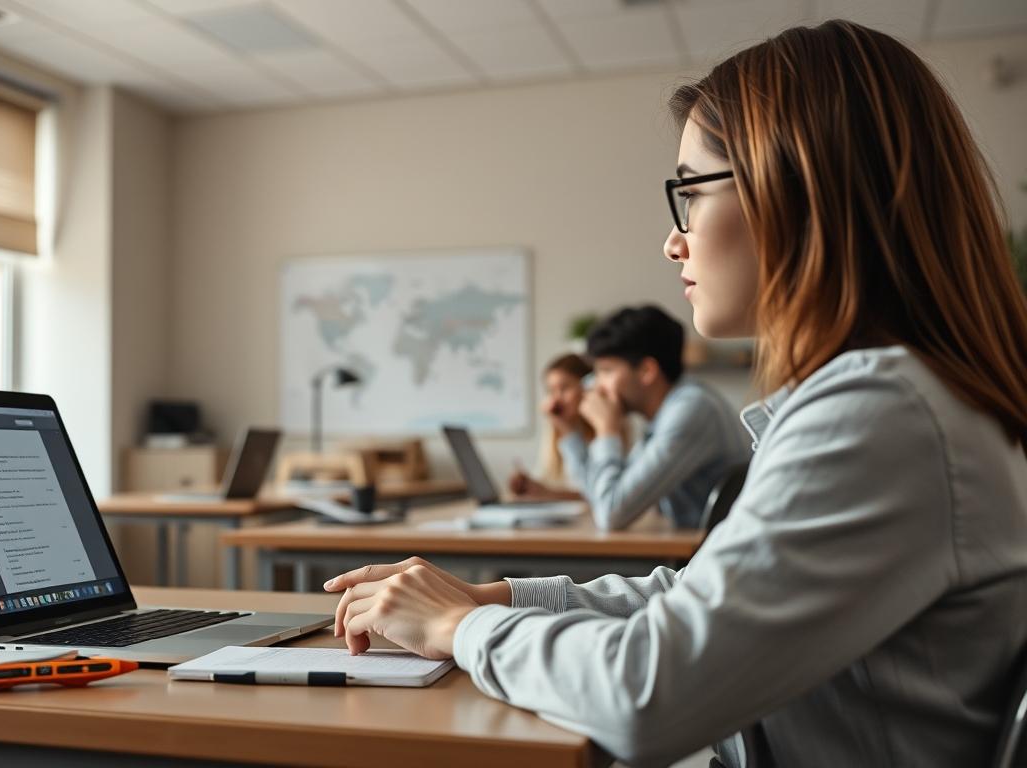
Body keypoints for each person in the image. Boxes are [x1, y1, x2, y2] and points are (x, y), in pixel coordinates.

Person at [322, 20, 1027, 767]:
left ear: (794, 194)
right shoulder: (902, 399)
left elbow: (646, 696)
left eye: (691, 193)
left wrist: (457, 630)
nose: (673, 239)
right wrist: (495, 599)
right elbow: (694, 597)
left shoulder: (881, 416)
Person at [565, 305, 749, 529]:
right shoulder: (663, 415)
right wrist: (569, 432)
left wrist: (607, 431)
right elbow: (600, 497)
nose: (595, 385)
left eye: (606, 370)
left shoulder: (691, 410)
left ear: (647, 371)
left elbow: (610, 513)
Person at [507, 352, 592, 502]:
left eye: (564, 388)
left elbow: (593, 493)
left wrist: (566, 429)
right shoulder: (555, 430)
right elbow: (544, 476)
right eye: (551, 391)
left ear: (587, 386)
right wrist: (530, 485)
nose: (556, 399)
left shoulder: (606, 430)